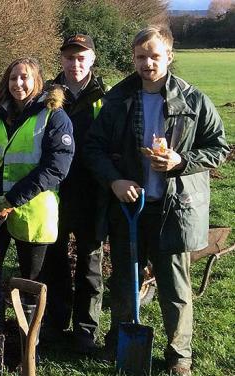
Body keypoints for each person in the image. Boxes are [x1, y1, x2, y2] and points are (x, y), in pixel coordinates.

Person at [84, 26, 229, 376]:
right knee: (124, 280)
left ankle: (179, 355)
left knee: (175, 286)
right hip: (129, 208)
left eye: (154, 56)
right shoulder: (118, 99)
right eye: (140, 57)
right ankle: (119, 340)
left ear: (169, 56)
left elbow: (219, 148)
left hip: (173, 210)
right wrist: (115, 180)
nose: (147, 63)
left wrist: (181, 161)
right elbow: (93, 147)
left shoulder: (193, 100)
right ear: (133, 58)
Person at [0, 57, 74, 332]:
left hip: (33, 209)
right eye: (14, 78)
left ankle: (28, 339)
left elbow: (56, 167)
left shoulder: (54, 116)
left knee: (32, 278)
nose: (19, 84)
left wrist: (12, 199)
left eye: (25, 78)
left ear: (38, 81)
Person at [38, 33, 108, 352]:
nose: (75, 63)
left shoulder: (105, 96)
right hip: (55, 191)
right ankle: (55, 321)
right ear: (61, 59)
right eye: (69, 57)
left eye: (81, 57)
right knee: (54, 260)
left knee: (90, 261)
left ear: (92, 59)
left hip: (92, 191)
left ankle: (85, 328)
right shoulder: (48, 94)